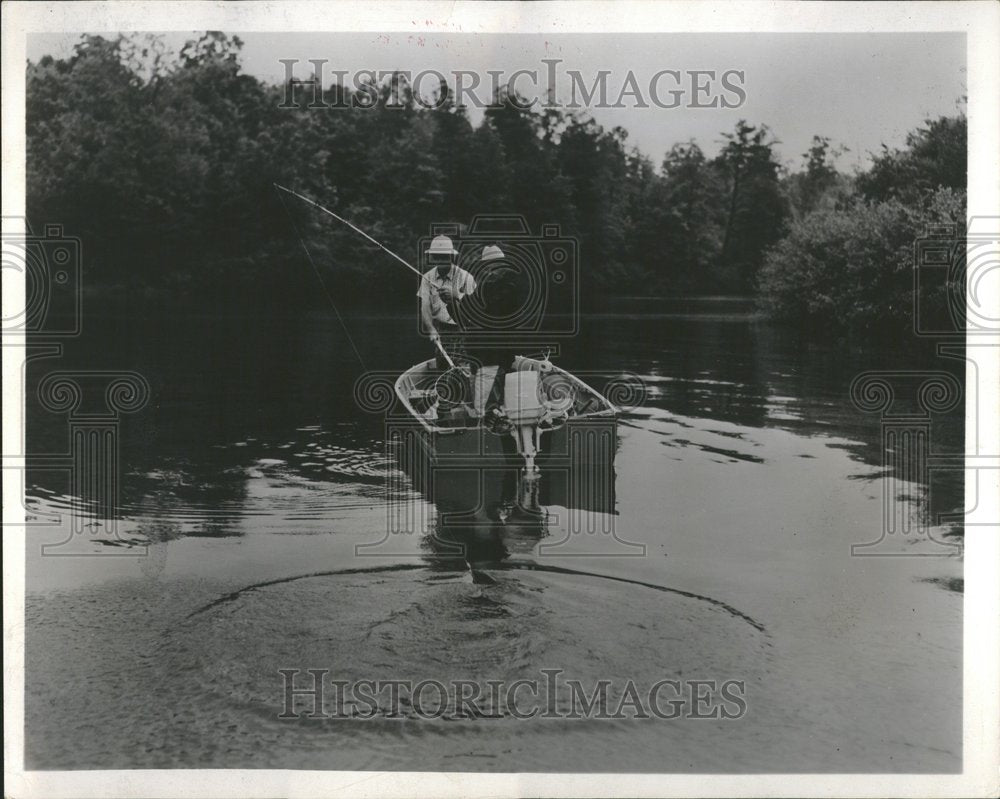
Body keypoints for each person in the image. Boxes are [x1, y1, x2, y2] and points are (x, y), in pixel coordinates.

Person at [416, 234, 476, 371]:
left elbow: (476, 311)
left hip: (464, 330)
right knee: (443, 370)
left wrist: (455, 296)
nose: (441, 260)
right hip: (441, 330)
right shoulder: (427, 278)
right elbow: (425, 307)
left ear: (451, 257)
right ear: (433, 258)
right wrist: (431, 329)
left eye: (444, 256)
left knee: (464, 369)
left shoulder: (466, 277)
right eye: (437, 256)